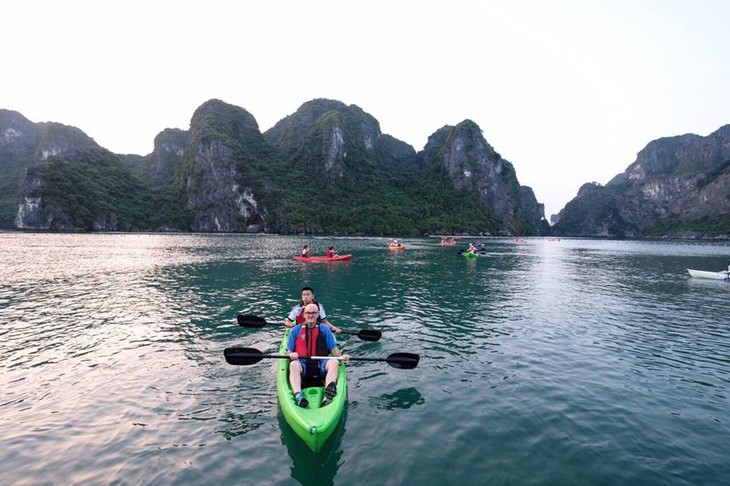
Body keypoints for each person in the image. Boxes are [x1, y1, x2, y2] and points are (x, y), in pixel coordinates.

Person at [286, 303, 350, 408]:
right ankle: (298, 395)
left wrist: (342, 357)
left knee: (334, 362)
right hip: (303, 366)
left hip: (321, 364)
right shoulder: (295, 330)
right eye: (308, 313)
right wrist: (291, 354)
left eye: (313, 313)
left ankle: (328, 394)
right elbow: (288, 351)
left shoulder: (324, 329)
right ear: (304, 314)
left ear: (318, 314)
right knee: (293, 365)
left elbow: (333, 350)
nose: (310, 315)